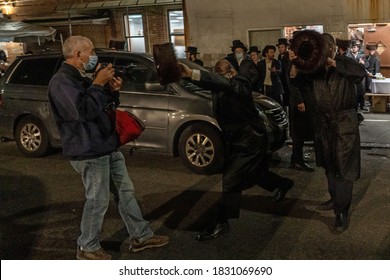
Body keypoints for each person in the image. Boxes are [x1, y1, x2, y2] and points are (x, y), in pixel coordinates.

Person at [48, 36, 169, 260]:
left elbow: (102, 106)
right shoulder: (62, 81)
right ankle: (87, 246)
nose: (94, 56)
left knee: (125, 192)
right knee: (98, 199)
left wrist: (112, 91)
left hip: (106, 145)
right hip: (88, 150)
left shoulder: (81, 78)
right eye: (91, 51)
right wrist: (97, 84)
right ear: (77, 55)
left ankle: (140, 236)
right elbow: (81, 112)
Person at [179, 58, 294, 241]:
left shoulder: (241, 82)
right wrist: (184, 75)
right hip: (237, 141)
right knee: (257, 175)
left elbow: (228, 85)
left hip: (251, 141)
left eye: (220, 70)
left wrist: (194, 73)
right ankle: (283, 184)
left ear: (231, 72)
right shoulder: (219, 85)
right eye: (214, 70)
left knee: (231, 179)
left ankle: (222, 222)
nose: (216, 73)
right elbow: (207, 82)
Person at [289, 31, 366, 232]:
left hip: (344, 123)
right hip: (322, 124)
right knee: (329, 165)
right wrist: (296, 64)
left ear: (331, 49)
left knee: (344, 168)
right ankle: (334, 199)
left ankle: (342, 211)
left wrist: (334, 63)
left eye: (324, 48)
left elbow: (360, 74)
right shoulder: (312, 70)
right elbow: (296, 85)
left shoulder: (344, 64)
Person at [347, 40, 369, 111]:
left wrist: (363, 63)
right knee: (354, 92)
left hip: (361, 76)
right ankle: (355, 107)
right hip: (353, 76)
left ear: (358, 48)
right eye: (353, 47)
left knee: (361, 91)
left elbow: (367, 65)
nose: (354, 49)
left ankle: (362, 105)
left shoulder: (362, 55)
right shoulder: (348, 56)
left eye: (355, 47)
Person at [277, 38, 291, 108]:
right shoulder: (279, 56)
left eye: (282, 47)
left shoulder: (288, 56)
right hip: (282, 80)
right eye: (279, 47)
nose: (280, 49)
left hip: (287, 79)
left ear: (286, 47)